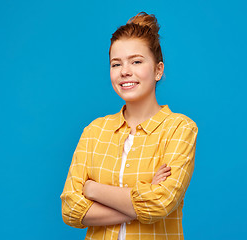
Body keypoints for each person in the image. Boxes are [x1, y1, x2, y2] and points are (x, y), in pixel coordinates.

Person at [60, 12, 198, 240]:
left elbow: (159, 204)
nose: (125, 71)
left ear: (158, 70)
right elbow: (71, 209)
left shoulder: (179, 128)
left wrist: (94, 190)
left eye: (136, 61)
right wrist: (140, 198)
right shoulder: (95, 131)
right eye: (116, 64)